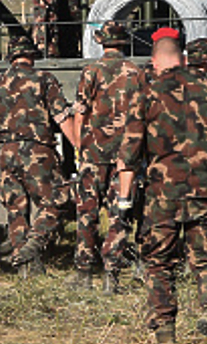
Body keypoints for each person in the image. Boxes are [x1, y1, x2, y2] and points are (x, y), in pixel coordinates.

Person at [117, 30, 207, 344]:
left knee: (159, 263)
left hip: (161, 196)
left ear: (154, 61)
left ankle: (165, 333)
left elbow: (129, 154)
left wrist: (123, 201)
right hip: (206, 191)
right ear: (184, 58)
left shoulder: (145, 93)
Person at [0, 34, 76, 277]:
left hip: (7, 153)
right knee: (57, 200)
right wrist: (80, 149)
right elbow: (62, 118)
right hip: (38, 151)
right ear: (32, 55)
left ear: (11, 56)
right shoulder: (44, 79)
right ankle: (34, 242)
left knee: (15, 208)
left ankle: (25, 267)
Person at [70, 21, 144, 292]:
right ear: (124, 42)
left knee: (86, 212)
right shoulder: (136, 72)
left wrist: (80, 149)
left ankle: (84, 273)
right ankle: (111, 275)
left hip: (93, 153)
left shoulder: (90, 71)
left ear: (102, 42)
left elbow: (80, 112)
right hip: (126, 156)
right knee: (119, 214)